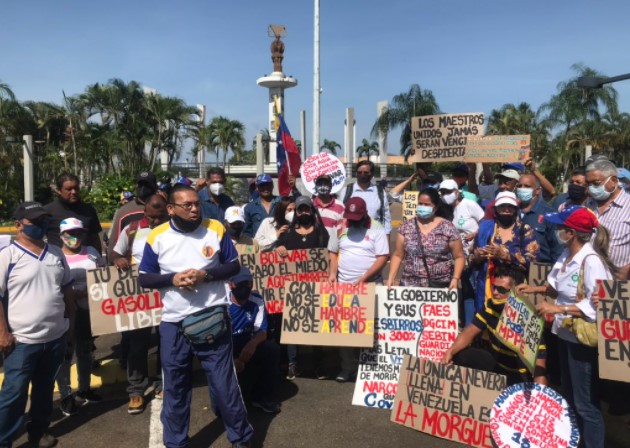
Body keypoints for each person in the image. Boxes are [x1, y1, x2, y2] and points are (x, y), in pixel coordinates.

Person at [138, 184, 252, 448]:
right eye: (186, 205)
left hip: (212, 317)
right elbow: (145, 278)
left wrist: (206, 275)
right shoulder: (157, 236)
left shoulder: (215, 228)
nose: (193, 209)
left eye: (196, 204)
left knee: (225, 385)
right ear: (171, 209)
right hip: (174, 324)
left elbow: (234, 265)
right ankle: (176, 443)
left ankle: (241, 439)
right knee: (175, 389)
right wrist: (173, 279)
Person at [517, 206, 616, 448]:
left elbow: (599, 305)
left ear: (571, 233)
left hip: (582, 340)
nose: (557, 230)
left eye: (561, 227)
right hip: (563, 334)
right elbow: (557, 287)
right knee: (570, 396)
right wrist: (535, 289)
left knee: (585, 404)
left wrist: (558, 309)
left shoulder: (592, 261)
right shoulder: (566, 255)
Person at [0, 202, 75, 448]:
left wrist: (69, 324)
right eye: (36, 221)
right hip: (21, 341)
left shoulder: (56, 252)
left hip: (55, 337)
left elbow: (66, 289)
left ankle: (37, 432)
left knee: (43, 391)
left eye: (44, 220)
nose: (42, 225)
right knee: (13, 396)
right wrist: (2, 332)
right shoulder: (7, 256)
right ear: (18, 224)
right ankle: (4, 440)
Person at [111, 195, 169, 414]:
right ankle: (136, 390)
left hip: (166, 296)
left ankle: (164, 384)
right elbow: (114, 252)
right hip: (139, 298)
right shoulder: (132, 229)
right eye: (152, 217)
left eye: (160, 217)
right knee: (137, 346)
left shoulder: (173, 230)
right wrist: (117, 260)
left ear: (168, 212)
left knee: (167, 342)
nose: (155, 221)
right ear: (145, 214)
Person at [442, 266, 548, 386]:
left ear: (517, 292)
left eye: (502, 290)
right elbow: (470, 330)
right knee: (459, 354)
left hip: (520, 376)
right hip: (496, 365)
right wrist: (450, 351)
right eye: (494, 287)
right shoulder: (490, 305)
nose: (495, 292)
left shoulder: (531, 320)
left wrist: (539, 395)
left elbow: (540, 369)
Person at [329, 197, 389, 382]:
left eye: (357, 217)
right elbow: (332, 251)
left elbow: (382, 257)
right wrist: (333, 274)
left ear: (365, 214)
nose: (353, 221)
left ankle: (368, 369)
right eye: (351, 217)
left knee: (370, 329)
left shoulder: (377, 227)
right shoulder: (340, 226)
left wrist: (364, 278)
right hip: (344, 286)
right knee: (345, 330)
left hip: (370, 286)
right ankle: (347, 367)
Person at [276, 196, 331, 380]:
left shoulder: (322, 233)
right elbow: (277, 256)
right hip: (293, 290)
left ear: (312, 211)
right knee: (292, 328)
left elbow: (328, 257)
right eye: (300, 210)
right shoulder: (287, 234)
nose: (304, 213)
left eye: (307, 209)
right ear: (296, 212)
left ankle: (320, 364)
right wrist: (280, 248)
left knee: (316, 329)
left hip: (316, 289)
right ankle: (293, 364)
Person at [55, 218, 105, 417]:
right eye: (70, 233)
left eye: (79, 232)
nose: (75, 237)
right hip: (65, 313)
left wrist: (86, 293)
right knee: (65, 357)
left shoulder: (92, 253)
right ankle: (66, 396)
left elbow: (104, 278)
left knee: (85, 353)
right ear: (61, 236)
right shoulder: (56, 256)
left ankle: (84, 389)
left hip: (88, 312)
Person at [469, 191, 539, 313]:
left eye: (510, 207)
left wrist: (505, 256)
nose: (506, 210)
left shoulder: (525, 230)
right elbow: (470, 258)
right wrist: (478, 256)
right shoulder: (486, 228)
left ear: (516, 209)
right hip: (487, 288)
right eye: (502, 206)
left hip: (514, 290)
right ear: (496, 209)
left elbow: (531, 262)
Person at [386, 188, 465, 290]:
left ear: (435, 207)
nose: (422, 207)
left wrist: (456, 278)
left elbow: (459, 257)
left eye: (427, 205)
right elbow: (397, 255)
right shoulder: (406, 227)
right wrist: (391, 277)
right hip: (410, 287)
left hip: (439, 287)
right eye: (420, 203)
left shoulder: (447, 227)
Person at [228, 267, 281, 414]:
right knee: (220, 410)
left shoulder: (257, 300)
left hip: (246, 347)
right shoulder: (222, 303)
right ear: (230, 284)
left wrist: (252, 344)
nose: (244, 288)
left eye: (248, 284)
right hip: (226, 350)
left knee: (271, 349)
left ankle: (260, 397)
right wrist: (233, 359)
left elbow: (262, 332)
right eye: (239, 284)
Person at [439, 179, 485, 326]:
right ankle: (467, 325)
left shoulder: (469, 205)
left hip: (475, 256)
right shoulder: (449, 209)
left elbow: (485, 222)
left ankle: (477, 326)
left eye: (448, 192)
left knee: (475, 289)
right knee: (466, 290)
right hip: (460, 257)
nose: (444, 195)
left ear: (457, 192)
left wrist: (476, 233)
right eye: (442, 192)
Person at [585, 158, 630, 278]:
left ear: (614, 180)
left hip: (617, 284)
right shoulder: (587, 205)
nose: (591, 188)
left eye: (596, 183)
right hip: (587, 278)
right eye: (588, 184)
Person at [44, 173, 102, 252]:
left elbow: (95, 239)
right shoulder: (48, 211)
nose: (74, 192)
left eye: (76, 188)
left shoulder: (88, 210)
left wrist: (99, 260)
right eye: (69, 189)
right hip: (58, 261)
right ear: (58, 190)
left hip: (85, 260)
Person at [107, 171, 158, 259]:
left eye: (147, 185)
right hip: (133, 267)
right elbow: (114, 245)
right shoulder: (124, 212)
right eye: (140, 184)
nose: (143, 188)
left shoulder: (165, 208)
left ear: (154, 187)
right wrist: (114, 260)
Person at [516, 174, 562, 263]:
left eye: (527, 186)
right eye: (519, 186)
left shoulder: (549, 213)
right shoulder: (512, 210)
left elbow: (557, 248)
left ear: (537, 190)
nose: (522, 189)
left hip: (540, 270)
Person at [340, 160, 392, 235]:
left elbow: (386, 218)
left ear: (372, 174)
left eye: (366, 172)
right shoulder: (346, 191)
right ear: (356, 174)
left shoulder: (380, 192)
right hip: (351, 237)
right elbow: (341, 215)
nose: (362, 175)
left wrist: (387, 238)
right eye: (359, 172)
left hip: (375, 236)